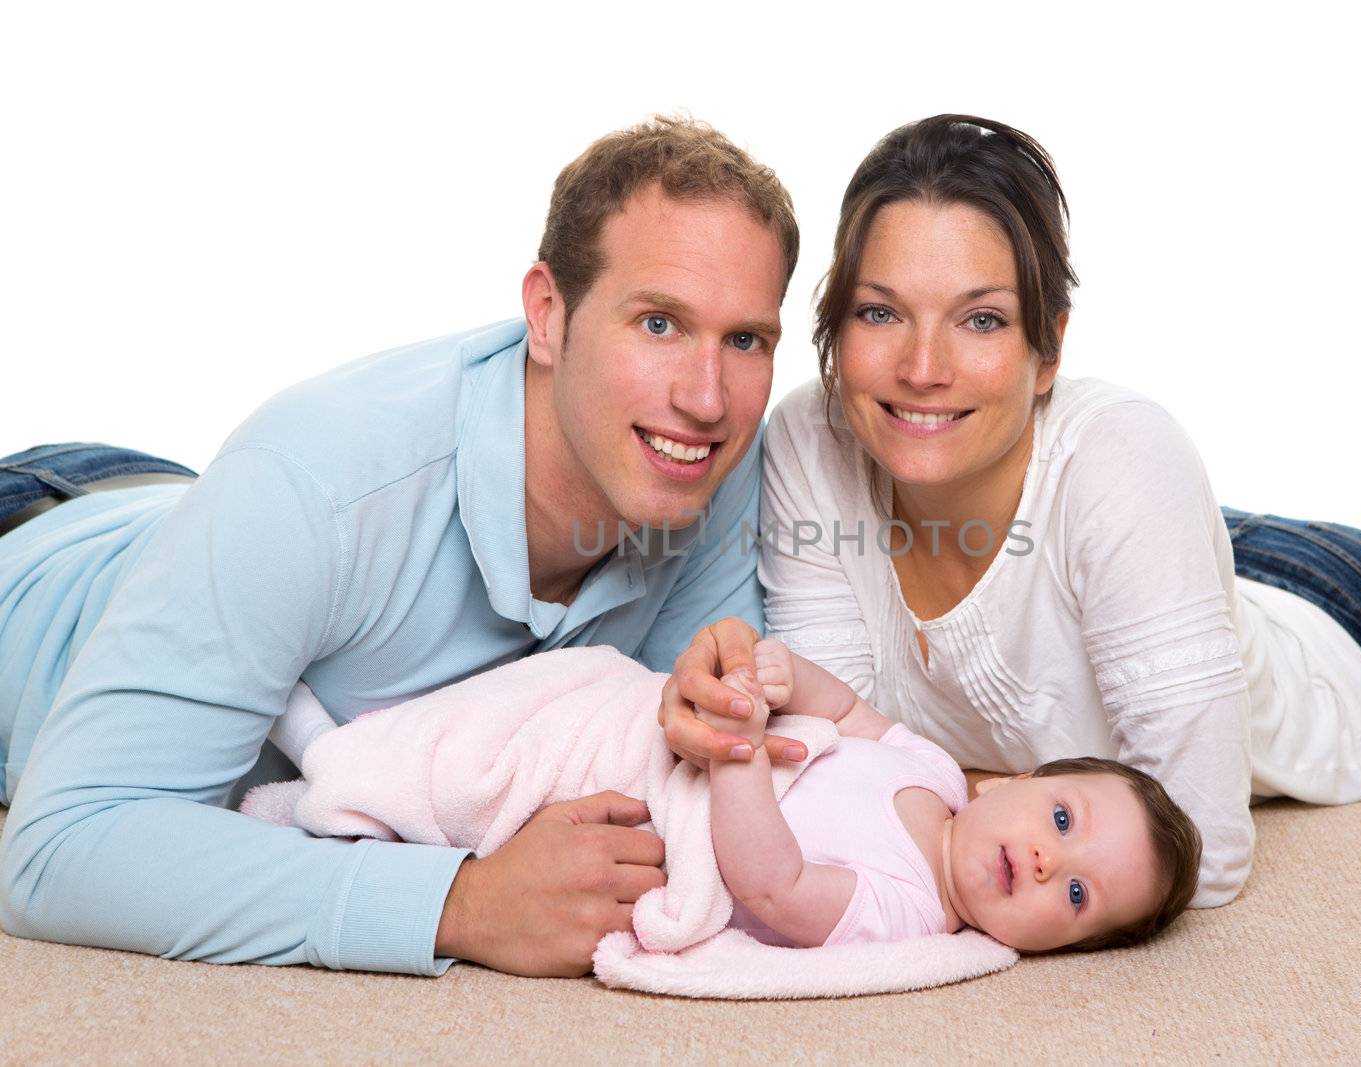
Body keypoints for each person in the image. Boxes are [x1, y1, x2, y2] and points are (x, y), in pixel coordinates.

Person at [661, 113, 1361, 910]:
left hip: (1355, 643)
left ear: (1049, 348)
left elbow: (1206, 847)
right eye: (880, 312)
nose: (921, 367)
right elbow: (836, 750)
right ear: (833, 326)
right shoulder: (809, 441)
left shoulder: (1124, 459)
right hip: (1194, 564)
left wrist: (972, 794)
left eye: (981, 319)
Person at [0, 115, 810, 979]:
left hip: (170, 500)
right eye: (658, 324)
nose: (707, 396)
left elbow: (695, 778)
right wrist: (460, 900)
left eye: (746, 339)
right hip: (32, 535)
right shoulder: (314, 483)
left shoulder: (711, 465)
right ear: (548, 313)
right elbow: (59, 847)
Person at [255, 635, 1202, 953]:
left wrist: (742, 754)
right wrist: (789, 677)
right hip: (643, 730)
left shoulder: (909, 912)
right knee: (551, 691)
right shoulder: (938, 773)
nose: (1047, 859)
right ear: (1023, 781)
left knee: (483, 784)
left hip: (662, 800)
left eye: (1075, 895)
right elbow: (854, 711)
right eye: (1065, 819)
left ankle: (326, 774)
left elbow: (772, 882)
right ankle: (348, 743)